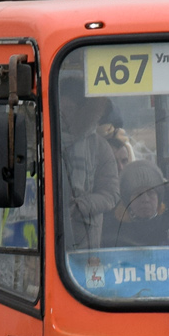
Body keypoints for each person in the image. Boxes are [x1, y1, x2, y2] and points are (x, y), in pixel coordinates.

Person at [57, 73, 119, 249]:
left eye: (68, 110)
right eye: (58, 110)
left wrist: (81, 206)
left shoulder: (99, 147)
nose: (62, 116)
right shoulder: (41, 139)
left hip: (84, 237)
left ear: (82, 111)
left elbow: (111, 194)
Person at [106, 160, 169, 247]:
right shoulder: (113, 229)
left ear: (159, 197)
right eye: (138, 194)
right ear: (127, 201)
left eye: (151, 193)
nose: (145, 199)